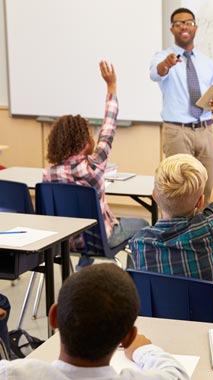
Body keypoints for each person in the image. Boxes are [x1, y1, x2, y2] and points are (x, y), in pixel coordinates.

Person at [129, 92, 213, 326]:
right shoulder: (206, 229)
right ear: (200, 202)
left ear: (154, 196)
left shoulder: (139, 243)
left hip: (166, 334)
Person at [0, 263, 189, 379]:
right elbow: (177, 374)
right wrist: (144, 350)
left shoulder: (14, 374)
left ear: (54, 317)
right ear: (128, 337)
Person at [43, 61, 148, 267]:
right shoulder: (93, 165)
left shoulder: (49, 174)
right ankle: (135, 281)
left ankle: (83, 268)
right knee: (143, 225)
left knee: (82, 221)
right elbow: (109, 126)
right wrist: (112, 87)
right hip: (100, 241)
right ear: (83, 142)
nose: (93, 137)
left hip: (63, 242)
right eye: (90, 134)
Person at [149, 7, 213, 206]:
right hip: (177, 132)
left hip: (205, 129)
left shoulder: (207, 63)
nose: (184, 27)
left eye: (188, 22)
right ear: (172, 30)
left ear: (195, 27)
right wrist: (167, 64)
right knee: (180, 190)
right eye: (178, 24)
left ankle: (204, 233)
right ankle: (180, 233)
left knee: (208, 187)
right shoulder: (163, 57)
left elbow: (212, 93)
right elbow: (156, 73)